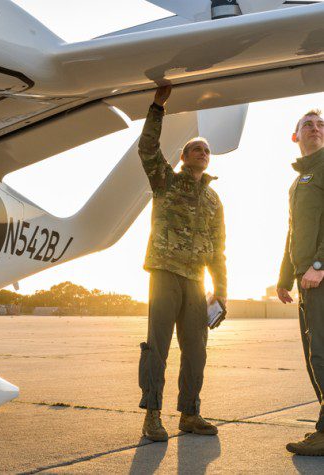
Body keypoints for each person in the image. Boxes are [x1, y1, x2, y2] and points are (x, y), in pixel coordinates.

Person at [138, 85, 227, 442]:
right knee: (156, 347)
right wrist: (157, 108)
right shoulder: (165, 181)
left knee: (197, 351)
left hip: (196, 282)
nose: (202, 152)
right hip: (164, 273)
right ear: (183, 157)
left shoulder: (213, 199)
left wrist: (220, 293)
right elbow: (147, 149)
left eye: (206, 150)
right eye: (195, 148)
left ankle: (190, 414)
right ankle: (153, 416)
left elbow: (219, 250)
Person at [277, 109, 324, 456]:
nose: (315, 128)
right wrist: (283, 277)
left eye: (321, 124)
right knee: (313, 355)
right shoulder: (297, 182)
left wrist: (320, 264)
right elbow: (292, 232)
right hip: (304, 279)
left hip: (319, 275)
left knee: (322, 353)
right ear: (296, 136)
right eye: (307, 125)